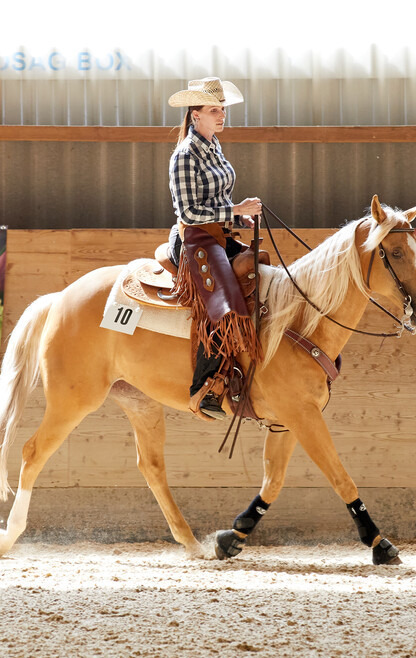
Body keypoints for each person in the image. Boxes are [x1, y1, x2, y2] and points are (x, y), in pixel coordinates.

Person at [167, 77, 263, 421]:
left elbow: (216, 200)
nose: (221, 115)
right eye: (213, 110)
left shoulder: (214, 145)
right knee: (220, 304)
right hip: (193, 239)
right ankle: (205, 387)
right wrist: (236, 211)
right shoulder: (184, 155)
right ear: (195, 115)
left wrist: (238, 216)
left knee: (259, 273)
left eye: (222, 109)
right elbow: (189, 212)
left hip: (218, 235)